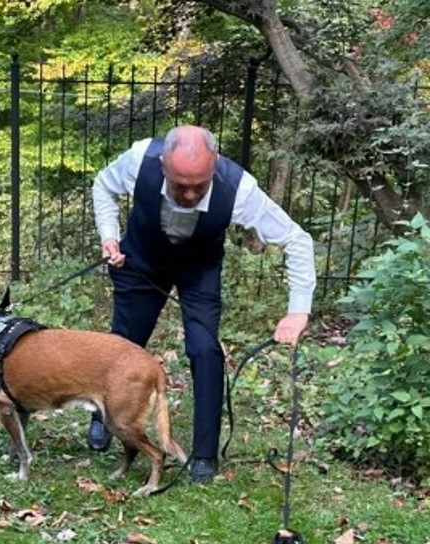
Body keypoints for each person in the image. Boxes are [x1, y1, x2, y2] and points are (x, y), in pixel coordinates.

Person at [89, 125, 315, 483]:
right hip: (142, 261)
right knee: (124, 342)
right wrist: (109, 237)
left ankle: (205, 455)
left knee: (205, 349)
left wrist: (297, 310)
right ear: (164, 165)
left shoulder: (238, 188)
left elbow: (296, 240)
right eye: (180, 185)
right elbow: (103, 185)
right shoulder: (140, 159)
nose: (191, 194)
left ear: (215, 166)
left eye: (200, 185)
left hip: (199, 271)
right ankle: (104, 418)